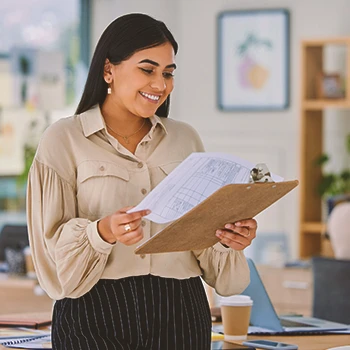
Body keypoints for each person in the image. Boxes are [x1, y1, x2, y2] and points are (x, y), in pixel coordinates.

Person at [27, 13, 257, 350]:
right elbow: (52, 261)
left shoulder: (185, 139)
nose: (160, 85)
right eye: (147, 70)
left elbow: (213, 258)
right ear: (109, 70)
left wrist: (227, 237)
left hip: (181, 310)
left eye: (167, 73)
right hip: (93, 312)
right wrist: (103, 231)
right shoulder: (63, 139)